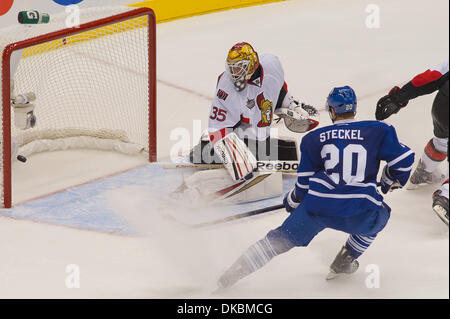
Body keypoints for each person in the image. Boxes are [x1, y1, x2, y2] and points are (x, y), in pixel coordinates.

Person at [216, 86, 414, 289]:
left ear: (332, 111)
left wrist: (292, 200)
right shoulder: (378, 131)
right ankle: (345, 260)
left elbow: (303, 184)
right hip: (360, 211)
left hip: (318, 208)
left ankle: (232, 274)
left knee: (278, 240)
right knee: (381, 215)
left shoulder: (313, 138)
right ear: (354, 109)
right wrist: (391, 178)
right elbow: (405, 159)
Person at [190, 42, 320, 181]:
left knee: (277, 151)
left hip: (260, 137)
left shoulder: (272, 64)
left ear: (251, 64)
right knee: (203, 154)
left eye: (239, 68)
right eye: (232, 68)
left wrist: (290, 104)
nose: (234, 73)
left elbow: (277, 87)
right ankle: (203, 151)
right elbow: (218, 128)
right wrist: (238, 161)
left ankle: (259, 155)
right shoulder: (226, 86)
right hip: (237, 135)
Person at [375, 57, 448, 226]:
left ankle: (424, 173)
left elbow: (431, 77)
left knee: (442, 141)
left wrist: (398, 97)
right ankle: (446, 198)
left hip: (443, 109)